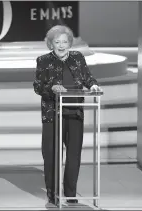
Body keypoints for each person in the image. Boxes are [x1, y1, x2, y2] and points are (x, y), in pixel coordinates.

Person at [33, 25, 102, 205]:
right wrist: (51, 88)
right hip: (52, 113)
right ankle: (53, 194)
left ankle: (70, 193)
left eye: (64, 42)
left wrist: (93, 85)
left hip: (74, 112)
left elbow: (87, 77)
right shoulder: (43, 60)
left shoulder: (78, 58)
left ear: (70, 43)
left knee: (73, 155)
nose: (61, 45)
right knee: (51, 155)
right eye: (57, 42)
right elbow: (38, 86)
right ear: (51, 44)